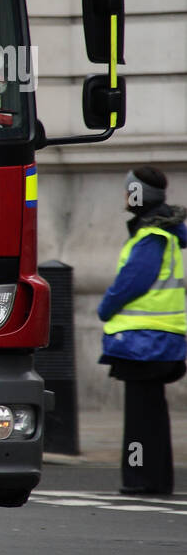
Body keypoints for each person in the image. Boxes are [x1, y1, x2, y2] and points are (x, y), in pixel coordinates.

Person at [97, 166, 184, 495]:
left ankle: (139, 478)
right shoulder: (170, 233)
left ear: (136, 195)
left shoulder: (151, 237)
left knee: (139, 419)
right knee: (154, 414)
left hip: (142, 341)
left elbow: (130, 283)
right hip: (162, 339)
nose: (124, 197)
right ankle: (158, 479)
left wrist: (105, 308)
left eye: (127, 191)